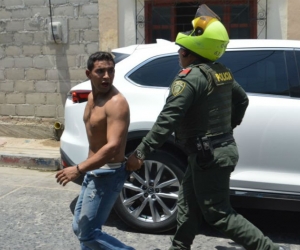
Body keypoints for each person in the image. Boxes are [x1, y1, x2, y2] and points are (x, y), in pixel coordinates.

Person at [126, 4, 286, 250]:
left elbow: (168, 119)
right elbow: (242, 100)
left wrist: (140, 153)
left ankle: (269, 249)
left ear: (191, 53)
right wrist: (227, 128)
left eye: (182, 49)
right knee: (188, 204)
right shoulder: (222, 72)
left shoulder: (190, 78)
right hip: (211, 152)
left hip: (208, 155)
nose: (179, 52)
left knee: (218, 213)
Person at [55, 51, 134, 250]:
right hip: (94, 171)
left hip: (108, 173)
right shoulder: (91, 98)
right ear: (89, 73)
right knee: (79, 227)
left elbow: (113, 146)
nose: (106, 76)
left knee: (88, 234)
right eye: (100, 71)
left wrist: (78, 169)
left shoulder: (116, 103)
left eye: (110, 71)